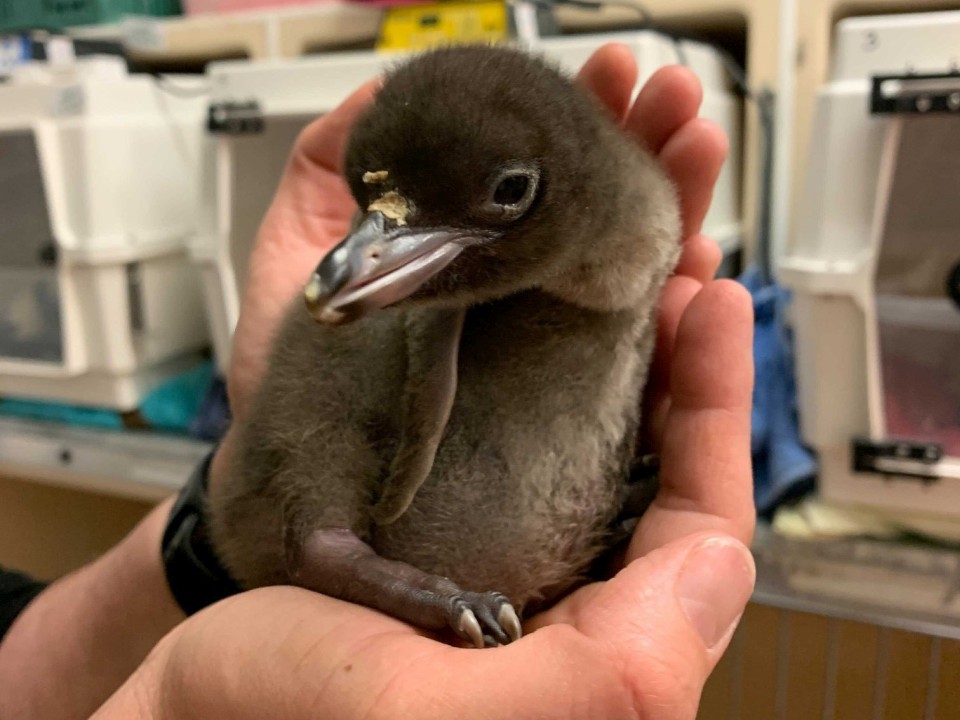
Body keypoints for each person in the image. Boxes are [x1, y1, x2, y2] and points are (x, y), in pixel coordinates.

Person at [0, 44, 755, 720]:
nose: (350, 261)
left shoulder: (610, 206)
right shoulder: (484, 248)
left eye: (507, 192)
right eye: (375, 212)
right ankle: (330, 544)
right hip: (393, 521)